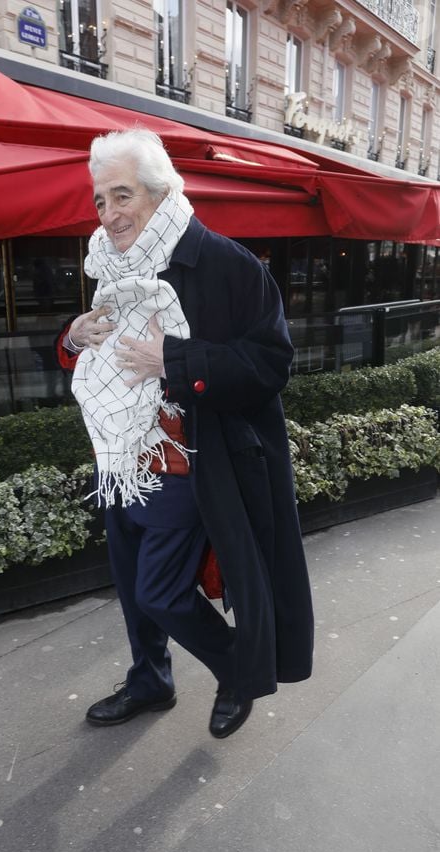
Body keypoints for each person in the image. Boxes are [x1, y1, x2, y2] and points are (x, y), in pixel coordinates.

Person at [56, 128, 313, 739]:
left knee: (160, 594)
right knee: (131, 585)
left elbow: (272, 365)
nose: (108, 214)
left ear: (159, 191)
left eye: (121, 196)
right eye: (99, 200)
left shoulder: (228, 263)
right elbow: (99, 358)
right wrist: (72, 338)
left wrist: (177, 360)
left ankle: (238, 670)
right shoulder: (109, 262)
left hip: (190, 463)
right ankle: (150, 679)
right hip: (119, 457)